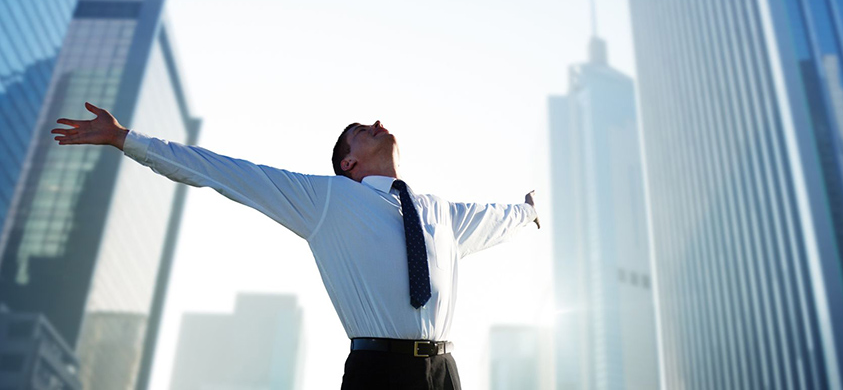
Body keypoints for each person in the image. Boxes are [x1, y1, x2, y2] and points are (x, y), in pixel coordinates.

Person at [52, 102, 540, 390]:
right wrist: (126, 140)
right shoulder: (326, 199)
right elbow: (223, 171)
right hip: (378, 372)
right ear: (347, 164)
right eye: (359, 132)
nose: (374, 121)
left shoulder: (441, 213)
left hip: (445, 372)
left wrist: (530, 211)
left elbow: (501, 219)